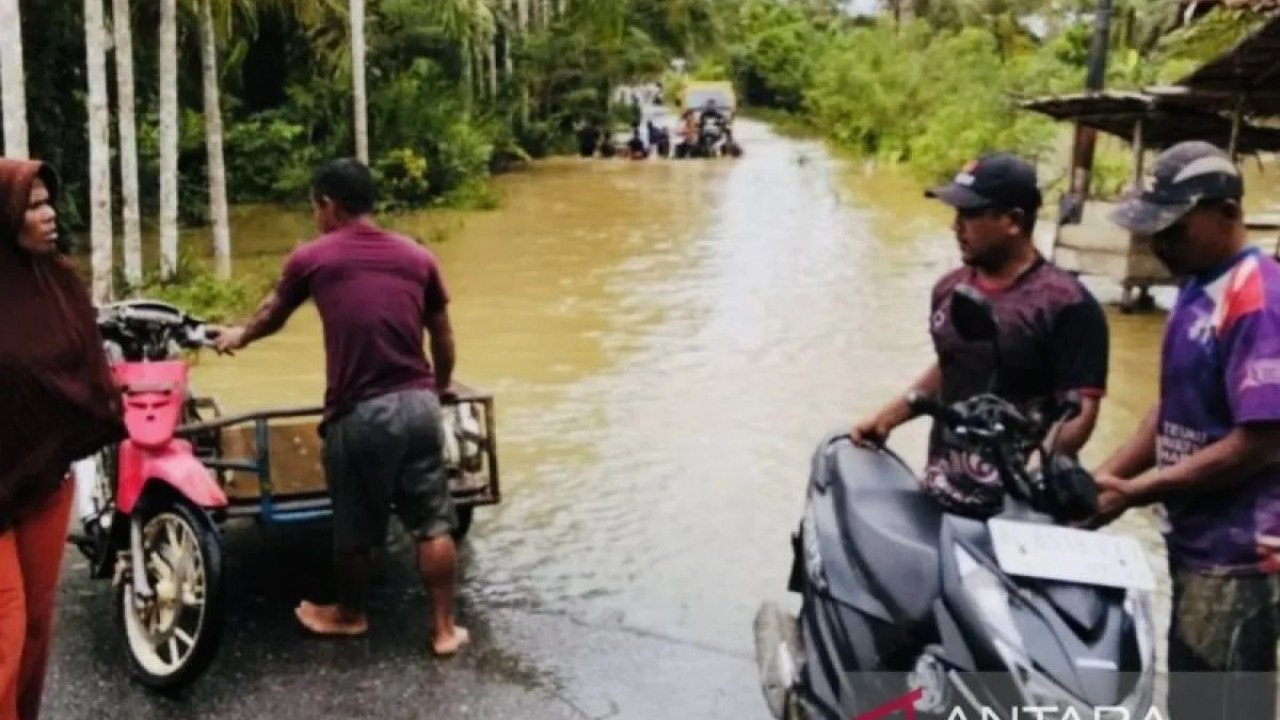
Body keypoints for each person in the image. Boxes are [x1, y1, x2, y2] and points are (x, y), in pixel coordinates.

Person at [213, 158, 468, 657]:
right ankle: (443, 630)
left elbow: (272, 314)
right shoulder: (417, 256)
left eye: (315, 207)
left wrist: (236, 336)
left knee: (353, 524)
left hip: (362, 411)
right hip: (418, 404)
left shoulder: (313, 258)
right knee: (433, 521)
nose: (315, 216)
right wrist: (436, 390)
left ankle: (350, 614)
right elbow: (442, 333)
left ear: (328, 205)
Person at [1091, 141, 1280, 719]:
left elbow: (1261, 441)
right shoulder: (1198, 287)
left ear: (1226, 214)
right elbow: (1172, 408)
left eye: (1173, 227)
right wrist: (1110, 478)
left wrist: (1143, 490)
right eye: (1154, 229)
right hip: (1195, 538)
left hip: (1239, 555)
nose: (1159, 243)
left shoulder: (1259, 297)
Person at [850, 152, 1109, 516]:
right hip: (941, 492)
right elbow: (953, 364)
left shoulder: (1067, 305)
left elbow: (1080, 413)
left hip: (1019, 508)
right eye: (956, 214)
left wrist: (1034, 470)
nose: (956, 226)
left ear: (1013, 221)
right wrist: (889, 416)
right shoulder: (949, 289)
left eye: (969, 214)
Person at [0, 159, 126, 719]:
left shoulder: (59, 281)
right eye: (32, 205)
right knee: (4, 627)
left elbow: (84, 368)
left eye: (49, 201)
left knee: (36, 628)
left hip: (43, 480)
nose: (48, 215)